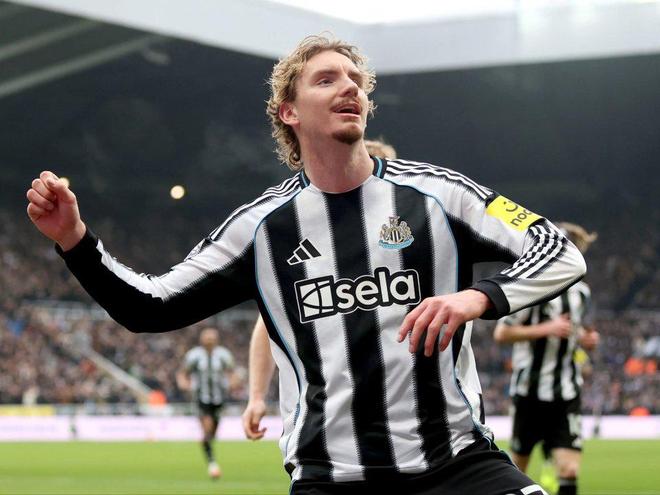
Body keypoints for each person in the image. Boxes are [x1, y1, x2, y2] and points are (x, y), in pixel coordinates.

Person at [27, 34, 586, 494]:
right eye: (327, 79)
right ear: (288, 112)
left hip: (457, 465)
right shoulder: (260, 228)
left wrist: (477, 297)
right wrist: (75, 240)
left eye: (356, 80)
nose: (350, 86)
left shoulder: (442, 194)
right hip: (331, 476)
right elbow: (150, 306)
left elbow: (559, 249)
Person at [241, 138, 399, 441]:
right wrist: (257, 396)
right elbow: (267, 324)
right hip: (328, 426)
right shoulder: (310, 253)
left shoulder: (411, 246)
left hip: (414, 419)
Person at [494, 223, 599, 495]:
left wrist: (586, 339)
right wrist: (546, 329)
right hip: (529, 391)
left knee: (570, 470)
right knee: (518, 468)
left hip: (566, 392)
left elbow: (574, 330)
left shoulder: (582, 293)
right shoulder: (531, 288)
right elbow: (502, 333)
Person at [176, 327, 235, 479]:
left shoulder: (223, 355)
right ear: (202, 339)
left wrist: (232, 382)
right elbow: (183, 372)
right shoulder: (194, 356)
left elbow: (231, 372)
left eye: (212, 338)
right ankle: (212, 464)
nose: (209, 340)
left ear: (217, 339)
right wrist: (184, 383)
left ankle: (207, 449)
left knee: (212, 434)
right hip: (201, 399)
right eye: (207, 338)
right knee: (207, 429)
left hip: (219, 399)